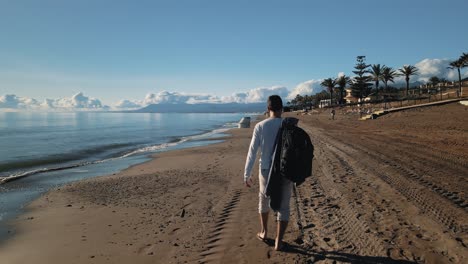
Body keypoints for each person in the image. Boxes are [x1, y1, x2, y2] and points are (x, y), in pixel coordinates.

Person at [243, 95, 292, 251]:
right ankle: (279, 241)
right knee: (284, 206)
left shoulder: (261, 126)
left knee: (263, 199)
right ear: (281, 109)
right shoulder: (288, 125)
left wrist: (247, 174)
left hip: (266, 170)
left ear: (268, 109)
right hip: (286, 170)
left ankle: (264, 232)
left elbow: (252, 152)